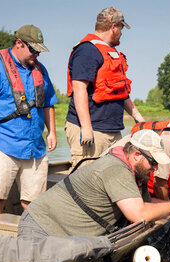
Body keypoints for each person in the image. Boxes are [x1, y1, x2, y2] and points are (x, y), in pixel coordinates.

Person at [17, 130, 170, 240]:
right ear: (137, 155)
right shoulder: (117, 169)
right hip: (43, 229)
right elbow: (139, 214)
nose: (156, 168)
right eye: (153, 162)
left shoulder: (138, 174)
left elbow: (145, 207)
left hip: (64, 233)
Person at [0, 24, 58, 214]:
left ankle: (32, 240)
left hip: (35, 148)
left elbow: (48, 103)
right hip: (3, 145)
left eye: (39, 51)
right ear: (19, 43)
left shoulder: (40, 70)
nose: (37, 54)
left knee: (34, 204)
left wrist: (51, 131)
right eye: (33, 49)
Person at [65, 7, 145, 170]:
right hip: (92, 131)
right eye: (121, 29)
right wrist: (86, 127)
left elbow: (121, 92)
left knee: (113, 177)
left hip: (112, 130)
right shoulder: (87, 50)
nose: (122, 33)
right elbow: (79, 88)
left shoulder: (110, 52)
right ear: (114, 27)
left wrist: (139, 118)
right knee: (88, 180)